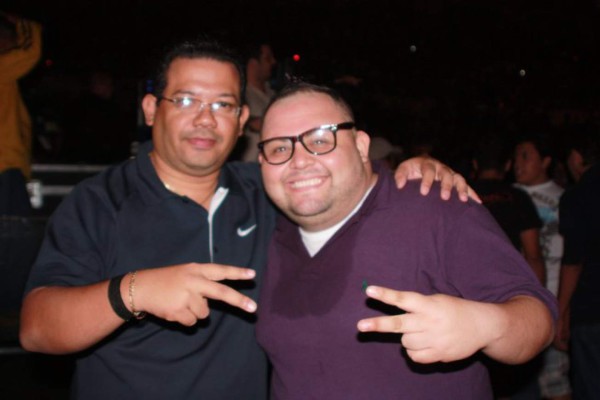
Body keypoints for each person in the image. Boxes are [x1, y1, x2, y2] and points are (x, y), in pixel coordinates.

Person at [19, 37, 474, 399]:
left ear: (241, 120)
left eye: (222, 105)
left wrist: (416, 169)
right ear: (152, 109)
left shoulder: (268, 190)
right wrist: (135, 290)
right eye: (186, 100)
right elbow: (37, 329)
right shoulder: (99, 202)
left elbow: (341, 178)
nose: (205, 119)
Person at [255, 82, 557, 400]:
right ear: (261, 162)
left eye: (320, 140)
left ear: (361, 146)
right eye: (279, 148)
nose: (299, 160)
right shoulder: (263, 227)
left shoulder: (434, 207)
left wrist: (484, 325)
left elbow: (539, 319)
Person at [471, 133, 547, 399]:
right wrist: (537, 301)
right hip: (510, 298)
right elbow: (533, 254)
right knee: (518, 380)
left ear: (475, 164)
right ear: (506, 165)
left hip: (470, 303)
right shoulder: (518, 197)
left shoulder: (459, 193)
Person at [513, 134, 572, 400]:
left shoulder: (564, 198)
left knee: (556, 382)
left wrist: (564, 308)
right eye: (516, 156)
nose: (518, 162)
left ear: (545, 161)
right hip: (518, 305)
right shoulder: (507, 196)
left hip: (555, 299)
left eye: (526, 155)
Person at [555, 129, 600, 400]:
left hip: (592, 310)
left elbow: (573, 261)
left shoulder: (578, 195)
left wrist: (560, 313)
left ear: (576, 157)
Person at [0, 11, 42, 216]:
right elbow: (30, 50)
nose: (13, 45)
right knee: (14, 226)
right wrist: (23, 24)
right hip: (4, 165)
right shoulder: (2, 69)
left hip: (8, 165)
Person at [239, 41, 277, 162]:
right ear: (253, 63)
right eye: (267, 58)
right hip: (248, 167)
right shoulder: (240, 94)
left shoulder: (274, 94)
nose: (273, 62)